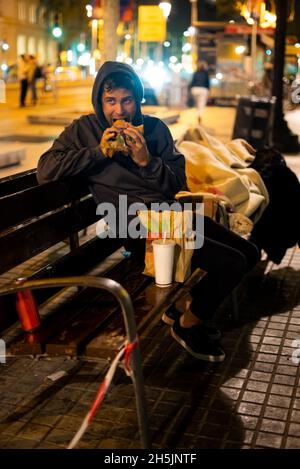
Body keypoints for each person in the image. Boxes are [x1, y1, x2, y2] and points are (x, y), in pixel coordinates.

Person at [37, 61, 260, 363]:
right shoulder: (84, 130)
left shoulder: (155, 129)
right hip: (134, 228)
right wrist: (98, 152)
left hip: (173, 217)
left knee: (248, 252)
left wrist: (147, 162)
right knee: (230, 263)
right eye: (111, 101)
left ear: (137, 99)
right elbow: (45, 170)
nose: (119, 111)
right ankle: (188, 324)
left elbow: (176, 183)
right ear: (99, 101)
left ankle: (182, 309)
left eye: (126, 100)